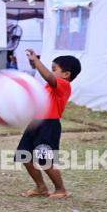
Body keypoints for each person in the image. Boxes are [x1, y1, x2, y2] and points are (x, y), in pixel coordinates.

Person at [15, 49, 81, 199]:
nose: (51, 72)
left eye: (54, 69)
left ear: (66, 74)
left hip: (48, 126)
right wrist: (33, 62)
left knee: (45, 161)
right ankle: (41, 188)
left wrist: (37, 61)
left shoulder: (64, 85)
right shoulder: (49, 87)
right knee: (25, 156)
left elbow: (49, 77)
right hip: (35, 123)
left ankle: (61, 190)